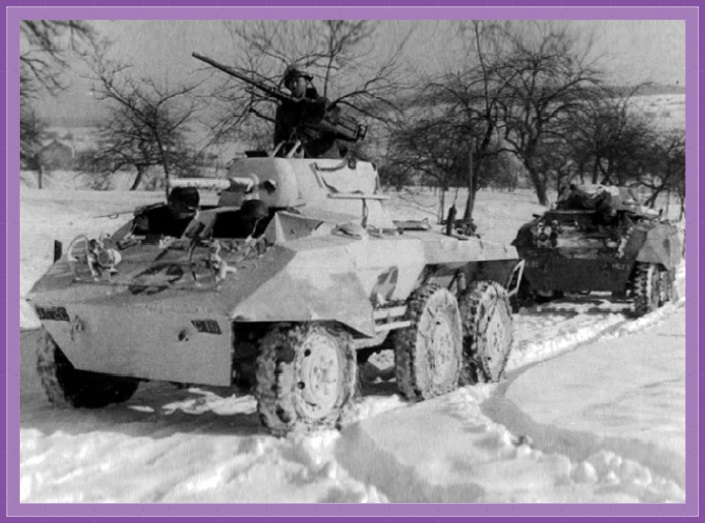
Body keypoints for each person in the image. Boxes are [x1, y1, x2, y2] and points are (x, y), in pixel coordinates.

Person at [273, 66, 343, 158]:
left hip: (324, 161)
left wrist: (305, 107)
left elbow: (334, 128)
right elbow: (280, 140)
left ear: (306, 81)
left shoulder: (322, 104)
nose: (293, 85)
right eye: (290, 82)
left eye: (296, 81)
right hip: (297, 162)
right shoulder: (284, 111)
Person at [133, 187, 200, 239]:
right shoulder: (158, 214)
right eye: (169, 201)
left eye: (174, 203)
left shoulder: (200, 220)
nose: (170, 205)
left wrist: (153, 228)